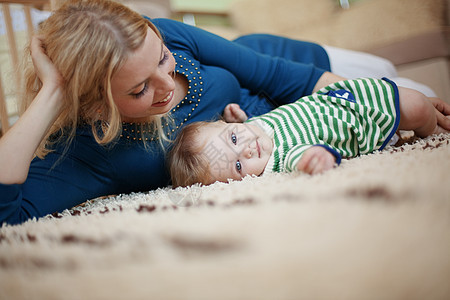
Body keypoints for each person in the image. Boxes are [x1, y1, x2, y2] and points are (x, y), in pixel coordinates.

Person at [0, 0, 448, 225]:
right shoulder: (89, 150)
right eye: (139, 89)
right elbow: (8, 214)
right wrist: (54, 92)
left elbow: (276, 75)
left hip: (301, 80)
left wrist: (372, 98)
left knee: (403, 85)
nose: (165, 88)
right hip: (298, 135)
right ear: (98, 104)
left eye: (162, 60)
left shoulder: (172, 35)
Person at [168, 78, 450, 187]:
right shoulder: (278, 159)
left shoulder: (254, 127)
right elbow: (298, 155)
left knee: (413, 97)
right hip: (363, 120)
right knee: (415, 106)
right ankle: (432, 130)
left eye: (232, 138)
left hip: (346, 95)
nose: (246, 148)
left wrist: (242, 118)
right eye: (239, 164)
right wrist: (314, 156)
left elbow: (258, 123)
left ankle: (424, 111)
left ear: (228, 125)